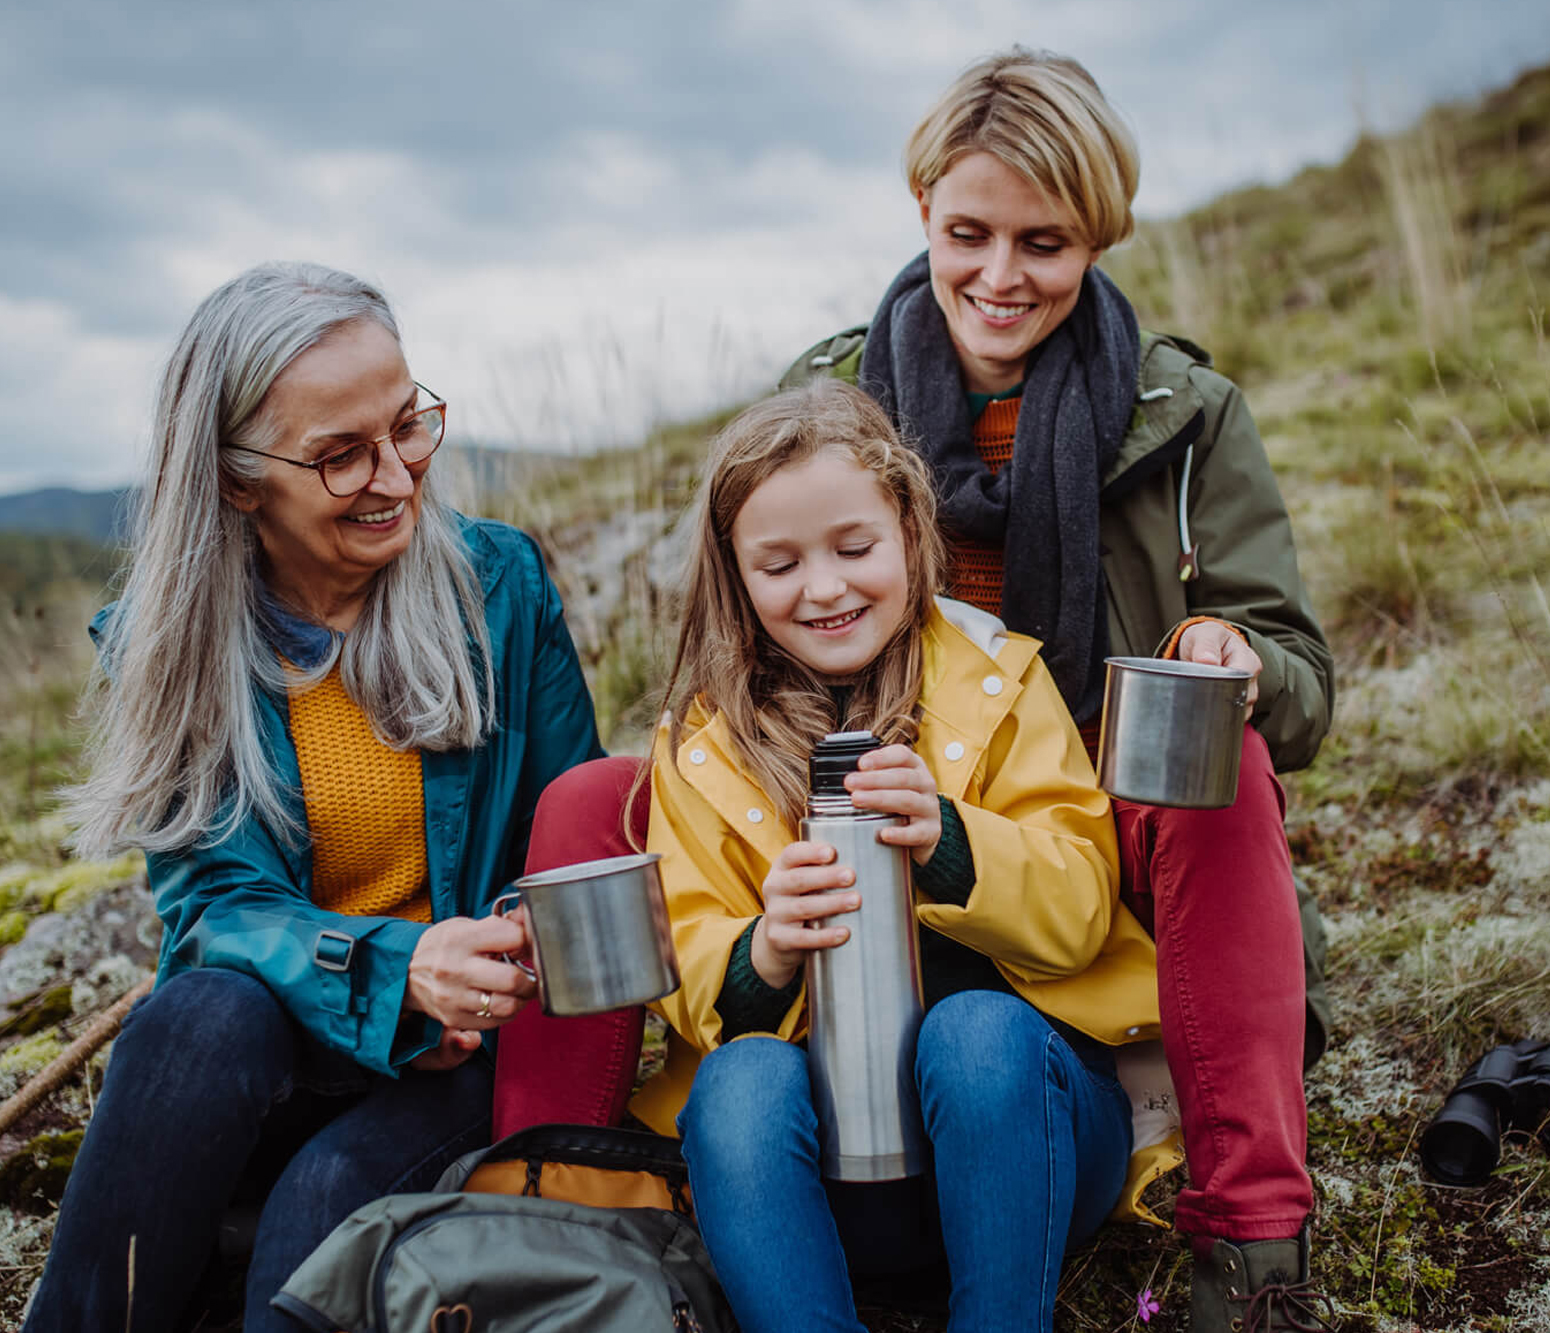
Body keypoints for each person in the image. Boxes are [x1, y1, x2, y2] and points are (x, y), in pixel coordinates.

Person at [779, 48, 1337, 1331]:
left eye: (1044, 241)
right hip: (895, 813)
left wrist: (1236, 658)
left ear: (1098, 236)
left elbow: (1298, 680)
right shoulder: (826, 408)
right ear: (921, 213)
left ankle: (1250, 1251)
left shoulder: (1186, 417)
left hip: (1101, 823)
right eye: (966, 233)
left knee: (1224, 763)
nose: (997, 276)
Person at [23, 262, 639, 1332]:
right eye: (339, 454)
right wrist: (399, 970)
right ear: (234, 479)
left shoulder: (499, 585)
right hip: (284, 1033)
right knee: (193, 1015)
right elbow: (215, 907)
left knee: (316, 1211)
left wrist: (492, 955)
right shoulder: (169, 644)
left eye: (408, 426)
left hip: (458, 1051)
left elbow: (565, 843)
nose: (397, 477)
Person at [629, 378, 1166, 1333]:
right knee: (739, 1084)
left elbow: (1083, 903)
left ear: (912, 532)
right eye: (780, 563)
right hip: (829, 1187)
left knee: (977, 1033)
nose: (825, 587)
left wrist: (953, 843)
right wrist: (765, 947)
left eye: (855, 547)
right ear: (736, 574)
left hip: (1025, 1157)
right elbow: (684, 953)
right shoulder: (703, 744)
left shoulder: (1000, 679)